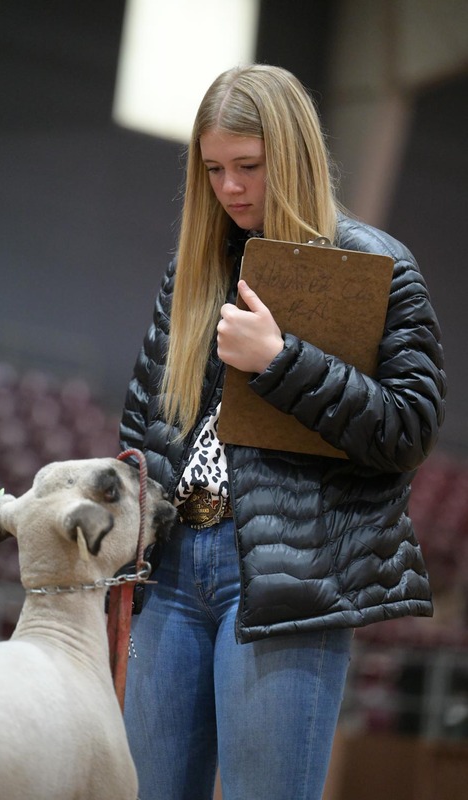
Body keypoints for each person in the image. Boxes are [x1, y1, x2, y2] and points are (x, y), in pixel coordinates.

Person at [119, 64, 446, 800]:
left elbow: (409, 429)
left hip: (283, 576)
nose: (230, 187)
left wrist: (280, 362)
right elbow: (144, 419)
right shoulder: (195, 268)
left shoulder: (378, 265)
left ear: (291, 156)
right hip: (171, 572)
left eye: (249, 167)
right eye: (213, 170)